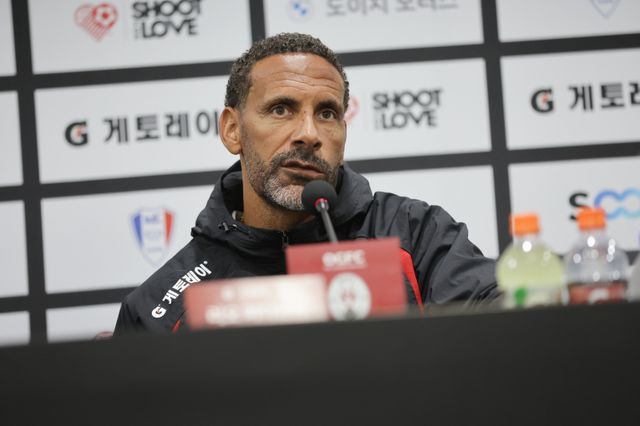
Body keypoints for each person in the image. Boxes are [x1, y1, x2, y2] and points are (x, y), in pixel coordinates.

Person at [114, 33, 496, 334]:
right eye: (281, 109)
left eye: (326, 113)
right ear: (232, 130)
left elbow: (502, 325)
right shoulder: (160, 306)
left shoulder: (415, 234)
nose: (309, 134)